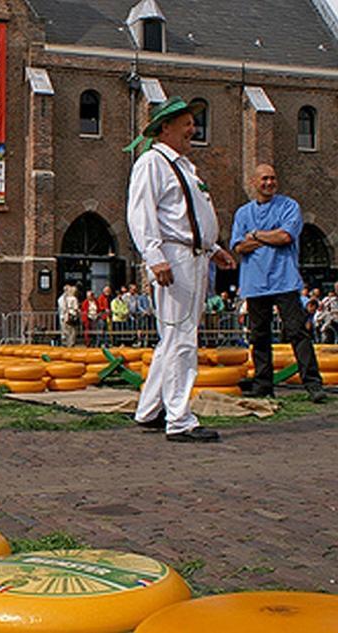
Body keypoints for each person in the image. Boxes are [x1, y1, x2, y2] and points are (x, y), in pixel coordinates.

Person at [126, 96, 236, 442]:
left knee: (173, 338)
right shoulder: (152, 163)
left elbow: (185, 216)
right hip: (175, 259)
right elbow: (142, 212)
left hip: (194, 256)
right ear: (165, 127)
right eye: (186, 123)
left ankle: (149, 410)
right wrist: (154, 256)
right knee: (182, 339)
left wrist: (213, 248)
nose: (193, 129)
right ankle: (179, 419)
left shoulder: (184, 166)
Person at [230, 164, 326, 402]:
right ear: (254, 182)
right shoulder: (243, 213)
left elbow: (286, 236)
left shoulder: (289, 206)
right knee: (259, 335)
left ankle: (313, 383)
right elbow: (238, 247)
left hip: (284, 280)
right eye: (264, 178)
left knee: (297, 332)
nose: (269, 183)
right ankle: (264, 384)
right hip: (254, 282)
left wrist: (254, 235)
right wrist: (267, 236)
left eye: (272, 178)